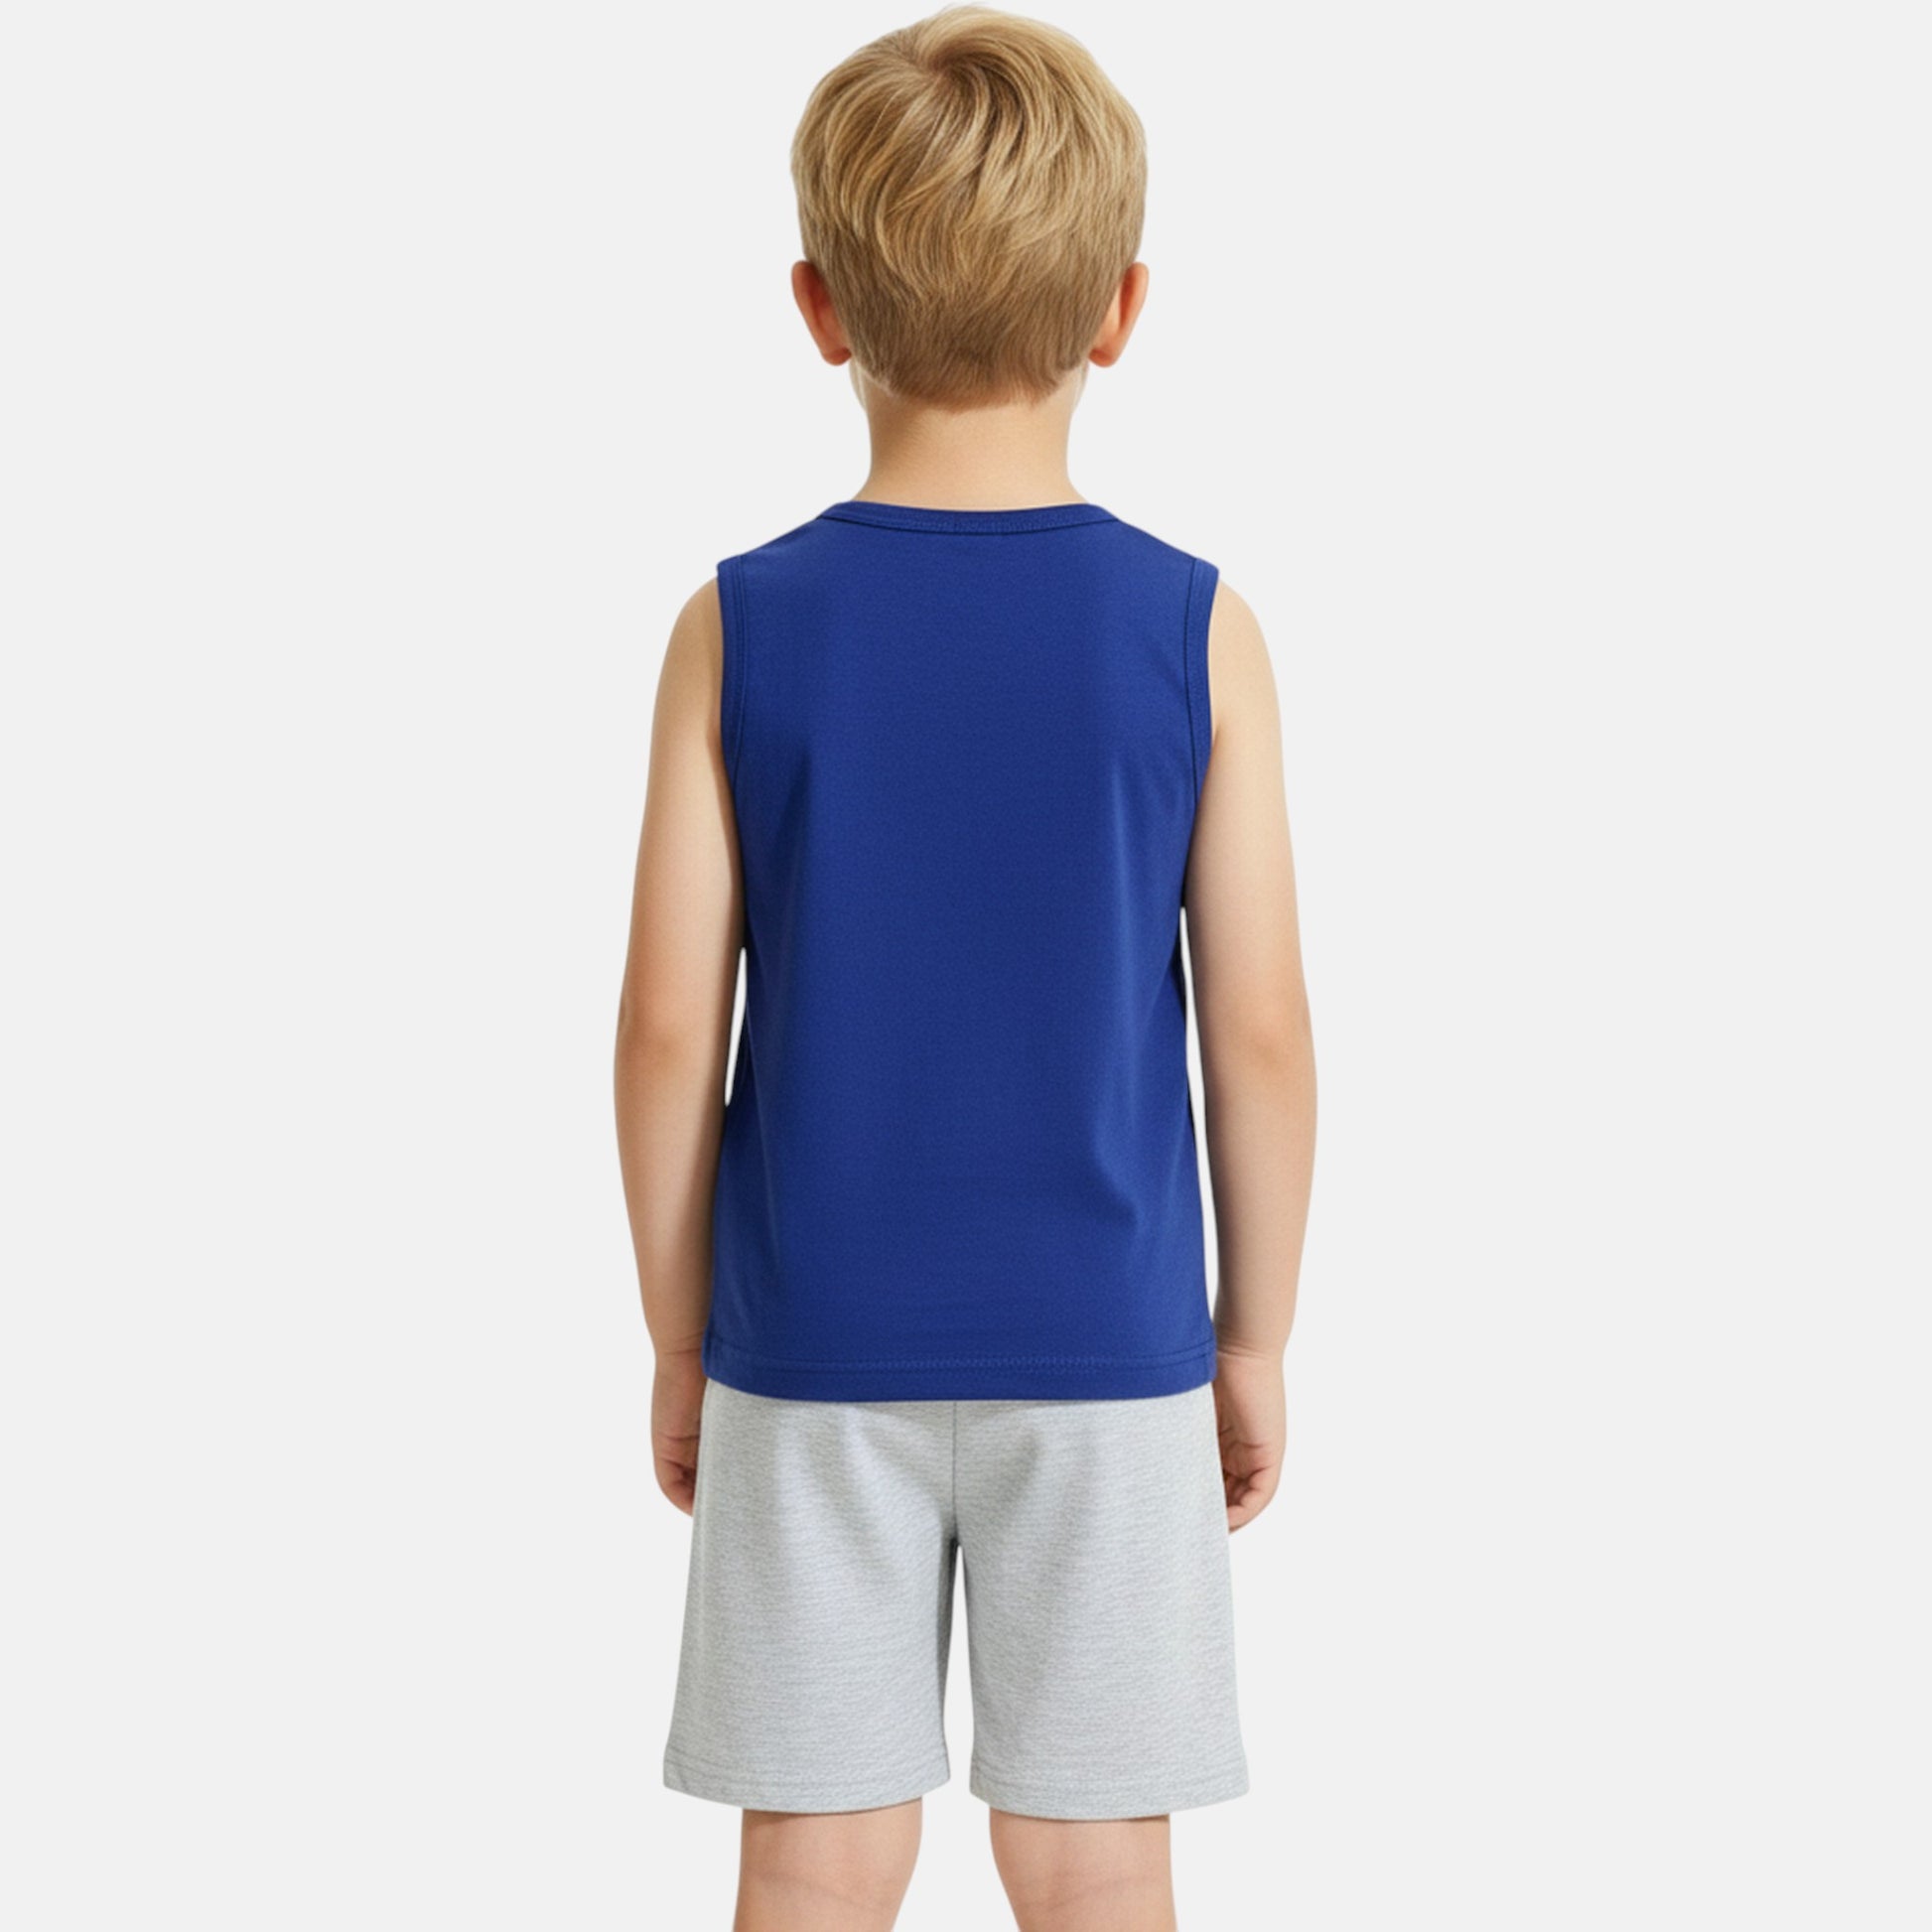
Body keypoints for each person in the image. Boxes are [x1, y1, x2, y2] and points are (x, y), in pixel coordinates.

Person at [613, 8, 1316, 1927]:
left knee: (814, 1855)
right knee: (1093, 1861)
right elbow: (1255, 1035)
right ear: (1122, 308)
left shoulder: (736, 626)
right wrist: (1250, 1335)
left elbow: (670, 1027)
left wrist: (677, 1335)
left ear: (817, 306)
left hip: (808, 1335)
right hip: (1106, 1342)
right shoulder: (1195, 630)